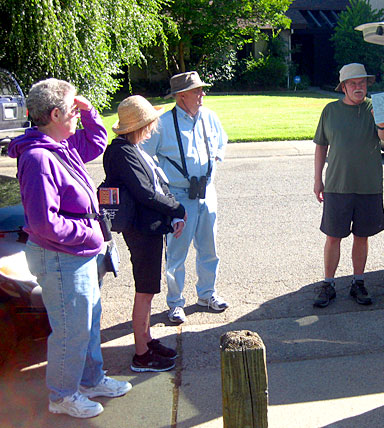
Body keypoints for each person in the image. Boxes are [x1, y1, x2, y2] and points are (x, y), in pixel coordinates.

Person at [7, 78, 131, 418]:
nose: (77, 114)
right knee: (71, 329)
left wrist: (90, 112)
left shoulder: (60, 146)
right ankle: (62, 396)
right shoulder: (37, 158)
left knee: (88, 322)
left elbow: (96, 140)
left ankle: (91, 380)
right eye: (73, 110)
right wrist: (87, 232)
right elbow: (45, 223)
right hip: (62, 257)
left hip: (77, 254)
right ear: (56, 113)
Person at [104, 95, 187, 371]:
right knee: (145, 290)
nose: (153, 126)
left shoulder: (131, 148)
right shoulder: (121, 152)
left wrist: (171, 212)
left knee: (148, 289)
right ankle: (141, 354)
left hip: (148, 227)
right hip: (141, 230)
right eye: (150, 122)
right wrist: (177, 209)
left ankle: (147, 339)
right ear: (141, 125)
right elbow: (144, 192)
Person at [142, 71, 228, 324]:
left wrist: (214, 161)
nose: (203, 94)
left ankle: (207, 294)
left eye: (202, 90)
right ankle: (176, 303)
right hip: (178, 196)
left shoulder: (209, 117)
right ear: (181, 96)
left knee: (209, 248)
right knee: (176, 253)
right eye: (197, 91)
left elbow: (222, 141)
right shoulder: (162, 123)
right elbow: (144, 157)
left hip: (206, 191)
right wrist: (161, 188)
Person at [313, 63, 384, 308]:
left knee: (362, 236)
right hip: (337, 184)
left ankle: (358, 282)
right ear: (344, 87)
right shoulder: (330, 111)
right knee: (333, 236)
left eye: (363, 83)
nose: (359, 88)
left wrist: (381, 122)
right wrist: (318, 179)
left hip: (368, 185)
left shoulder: (375, 105)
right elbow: (320, 146)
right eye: (353, 84)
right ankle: (328, 283)